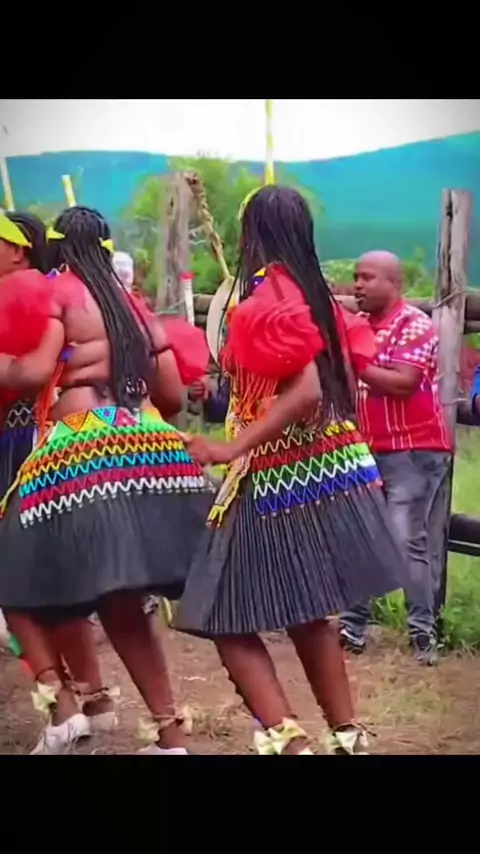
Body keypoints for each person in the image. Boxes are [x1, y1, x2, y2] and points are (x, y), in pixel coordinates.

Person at [176, 186, 406, 756]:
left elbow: (304, 392)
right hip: (335, 467)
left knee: (217, 611)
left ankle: (289, 741)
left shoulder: (271, 301)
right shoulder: (318, 296)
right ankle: (346, 737)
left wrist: (231, 446)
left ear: (251, 233)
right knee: (308, 610)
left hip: (279, 475)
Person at [0, 205, 214, 756]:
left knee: (9, 574)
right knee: (122, 603)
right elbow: (170, 396)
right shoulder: (130, 303)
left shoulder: (56, 293)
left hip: (79, 449)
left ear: (56, 248)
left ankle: (61, 706)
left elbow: (32, 373)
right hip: (145, 446)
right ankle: (170, 736)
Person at [0, 211, 117, 753]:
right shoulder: (70, 291)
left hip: (21, 442)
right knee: (57, 579)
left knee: (15, 585)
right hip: (59, 437)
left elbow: (29, 372)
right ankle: (92, 698)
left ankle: (62, 708)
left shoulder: (24, 291)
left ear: (19, 249)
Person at [339, 251, 453, 666]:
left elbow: (403, 383)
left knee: (406, 541)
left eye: (368, 277)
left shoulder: (414, 325)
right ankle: (353, 628)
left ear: (394, 283)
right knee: (362, 534)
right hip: (369, 448)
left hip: (415, 449)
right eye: (356, 276)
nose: (358, 284)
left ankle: (423, 633)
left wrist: (352, 359)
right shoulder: (359, 326)